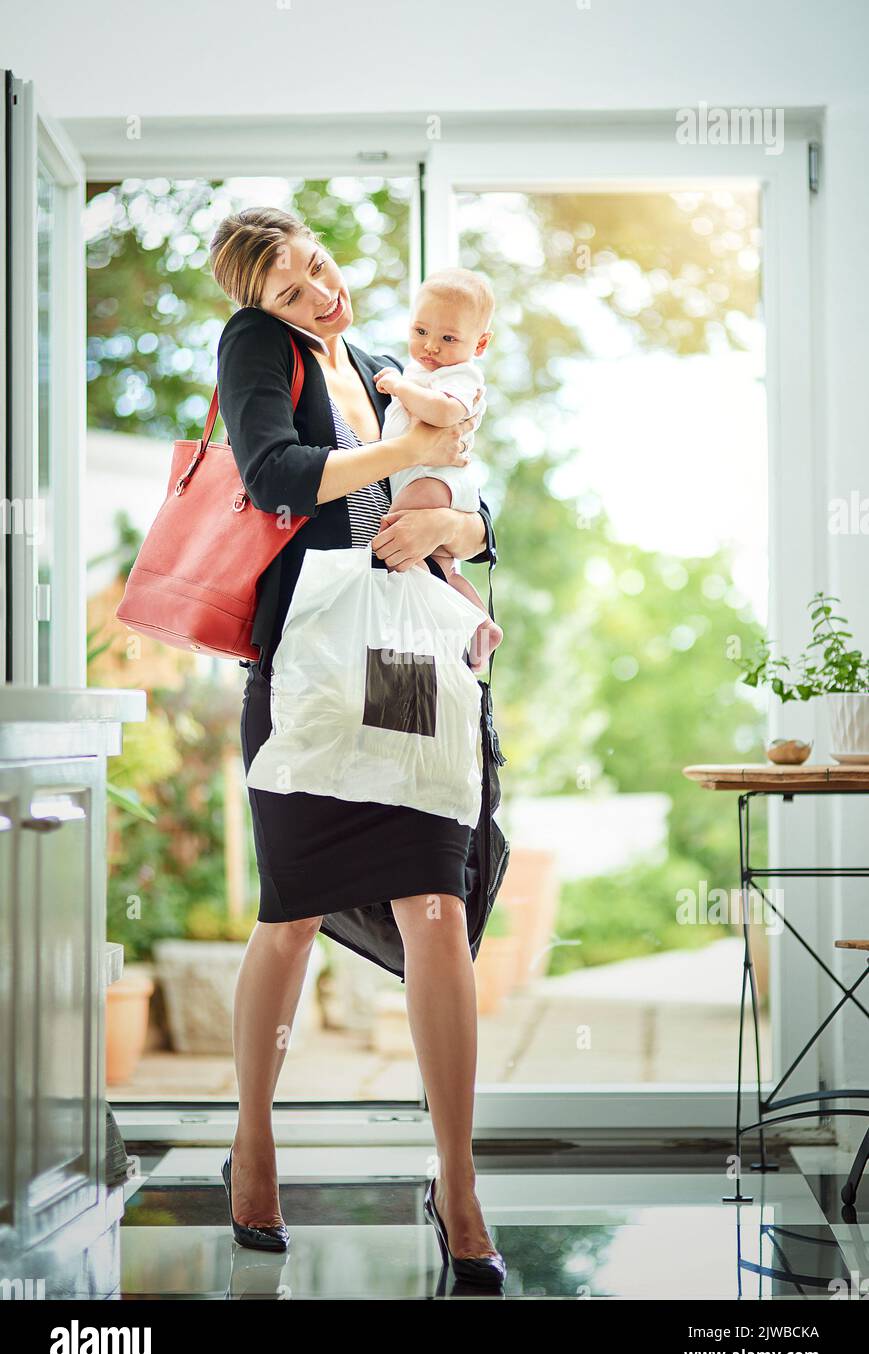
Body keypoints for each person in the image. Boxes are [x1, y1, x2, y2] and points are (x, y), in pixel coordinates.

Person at [209, 206, 506, 1284]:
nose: (320, 296)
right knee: (288, 916)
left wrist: (450, 529)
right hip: (309, 667)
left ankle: (457, 1183)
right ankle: (254, 1141)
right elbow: (276, 475)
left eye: (321, 271)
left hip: (407, 660)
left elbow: (478, 500)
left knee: (436, 905)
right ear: (263, 306)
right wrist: (398, 447)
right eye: (293, 291)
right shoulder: (261, 347)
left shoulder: (388, 359)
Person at [373, 267, 504, 672]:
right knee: (437, 564)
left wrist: (398, 387)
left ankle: (466, 623)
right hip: (423, 478)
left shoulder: (460, 376)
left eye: (448, 338)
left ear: (479, 344)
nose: (430, 346)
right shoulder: (423, 370)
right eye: (420, 331)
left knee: (397, 536)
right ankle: (478, 623)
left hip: (438, 482)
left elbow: (445, 410)